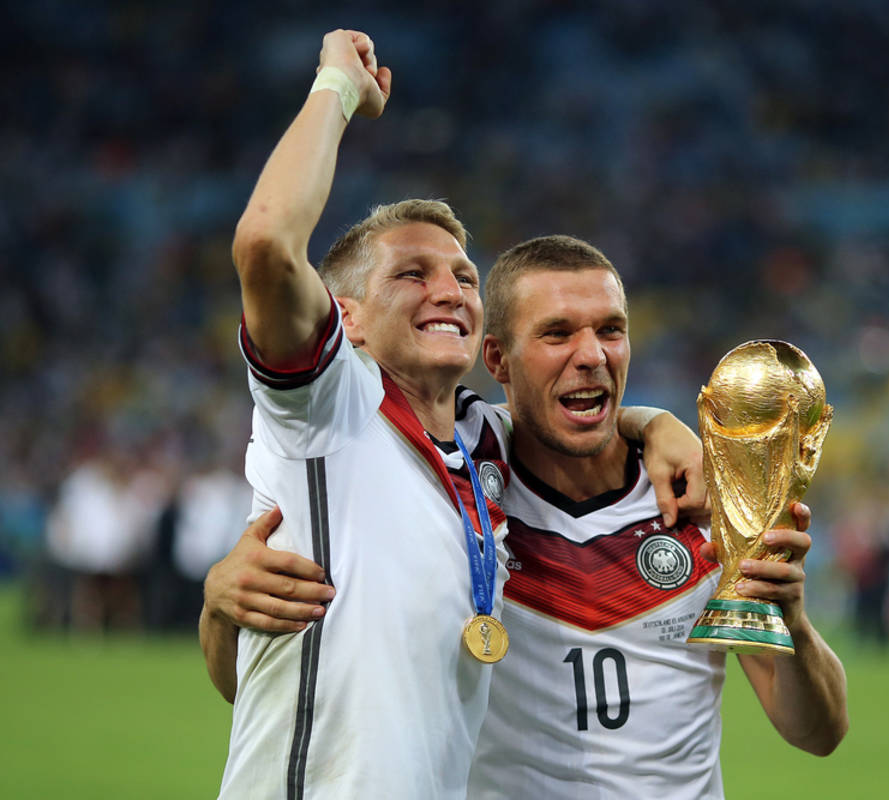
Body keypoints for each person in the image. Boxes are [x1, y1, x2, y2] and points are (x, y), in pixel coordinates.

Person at [204, 29, 703, 798]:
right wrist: (337, 86)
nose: (450, 291)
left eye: (465, 277)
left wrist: (659, 424)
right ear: (346, 317)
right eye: (412, 273)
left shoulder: (479, 445)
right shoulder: (330, 406)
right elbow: (266, 243)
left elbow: (572, 418)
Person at [207, 232, 849, 796]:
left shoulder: (697, 506)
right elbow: (248, 682)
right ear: (496, 360)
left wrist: (790, 620)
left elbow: (820, 733)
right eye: (557, 333)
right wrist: (219, 604)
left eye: (611, 330)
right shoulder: (448, 496)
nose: (592, 355)